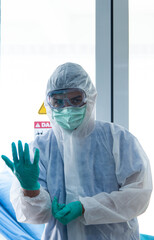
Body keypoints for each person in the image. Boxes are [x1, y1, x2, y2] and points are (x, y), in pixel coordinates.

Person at [1, 62, 153, 240]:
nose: (66, 109)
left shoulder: (118, 139)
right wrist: (30, 189)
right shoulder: (41, 148)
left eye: (75, 100)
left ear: (90, 98)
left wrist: (85, 207)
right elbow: (35, 216)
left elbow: (137, 196)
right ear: (48, 104)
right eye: (58, 102)